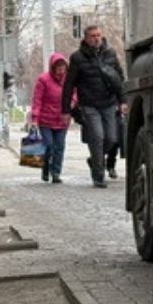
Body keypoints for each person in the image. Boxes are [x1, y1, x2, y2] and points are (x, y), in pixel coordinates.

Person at [61, 26, 127, 188]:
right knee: (97, 137)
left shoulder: (110, 54)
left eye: (98, 35)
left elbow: (119, 79)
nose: (96, 39)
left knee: (111, 138)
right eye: (92, 36)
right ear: (86, 38)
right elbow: (69, 85)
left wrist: (123, 101)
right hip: (89, 105)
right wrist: (65, 110)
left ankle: (94, 159)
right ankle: (98, 176)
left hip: (109, 103)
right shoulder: (77, 58)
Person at [31, 52, 75, 184]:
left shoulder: (69, 80)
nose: (61, 71)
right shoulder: (43, 80)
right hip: (46, 120)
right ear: (53, 68)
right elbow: (37, 100)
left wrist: (72, 102)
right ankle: (45, 167)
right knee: (48, 145)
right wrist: (34, 119)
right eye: (58, 68)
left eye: (63, 68)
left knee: (59, 147)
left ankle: (56, 172)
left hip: (62, 119)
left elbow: (75, 93)